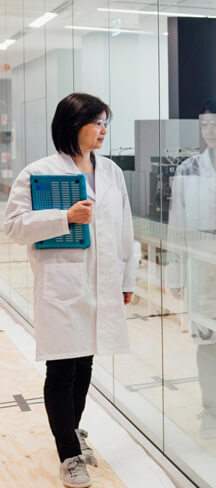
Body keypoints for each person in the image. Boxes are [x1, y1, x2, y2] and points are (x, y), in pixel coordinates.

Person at [3, 93, 135, 488]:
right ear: (71, 125)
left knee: (84, 365)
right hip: (62, 285)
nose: (103, 130)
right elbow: (13, 226)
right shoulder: (37, 172)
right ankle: (68, 455)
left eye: (104, 122)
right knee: (61, 368)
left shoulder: (111, 171)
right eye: (96, 122)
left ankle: (71, 432)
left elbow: (124, 226)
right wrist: (65, 217)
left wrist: (127, 280)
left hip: (101, 284)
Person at [165, 99, 216, 444]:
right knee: (207, 341)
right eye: (205, 124)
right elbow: (176, 224)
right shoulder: (188, 170)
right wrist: (175, 273)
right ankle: (210, 410)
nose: (210, 131)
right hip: (203, 266)